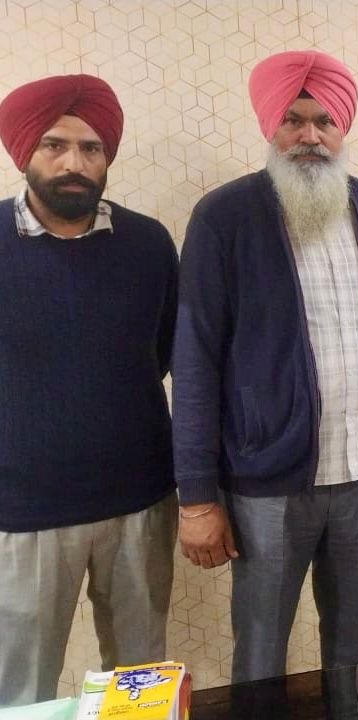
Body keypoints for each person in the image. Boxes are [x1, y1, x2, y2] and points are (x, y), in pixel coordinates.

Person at [171, 50, 358, 682]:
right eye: (293, 120)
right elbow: (194, 361)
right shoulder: (223, 217)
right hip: (266, 481)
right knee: (261, 648)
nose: (310, 135)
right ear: (270, 126)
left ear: (343, 128)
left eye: (324, 121)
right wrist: (197, 498)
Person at [0, 75, 178, 706]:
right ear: (24, 151)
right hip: (22, 511)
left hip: (139, 501)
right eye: (55, 144)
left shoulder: (149, 244)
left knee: (138, 684)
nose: (74, 162)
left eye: (91, 147)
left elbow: (162, 352)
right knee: (20, 688)